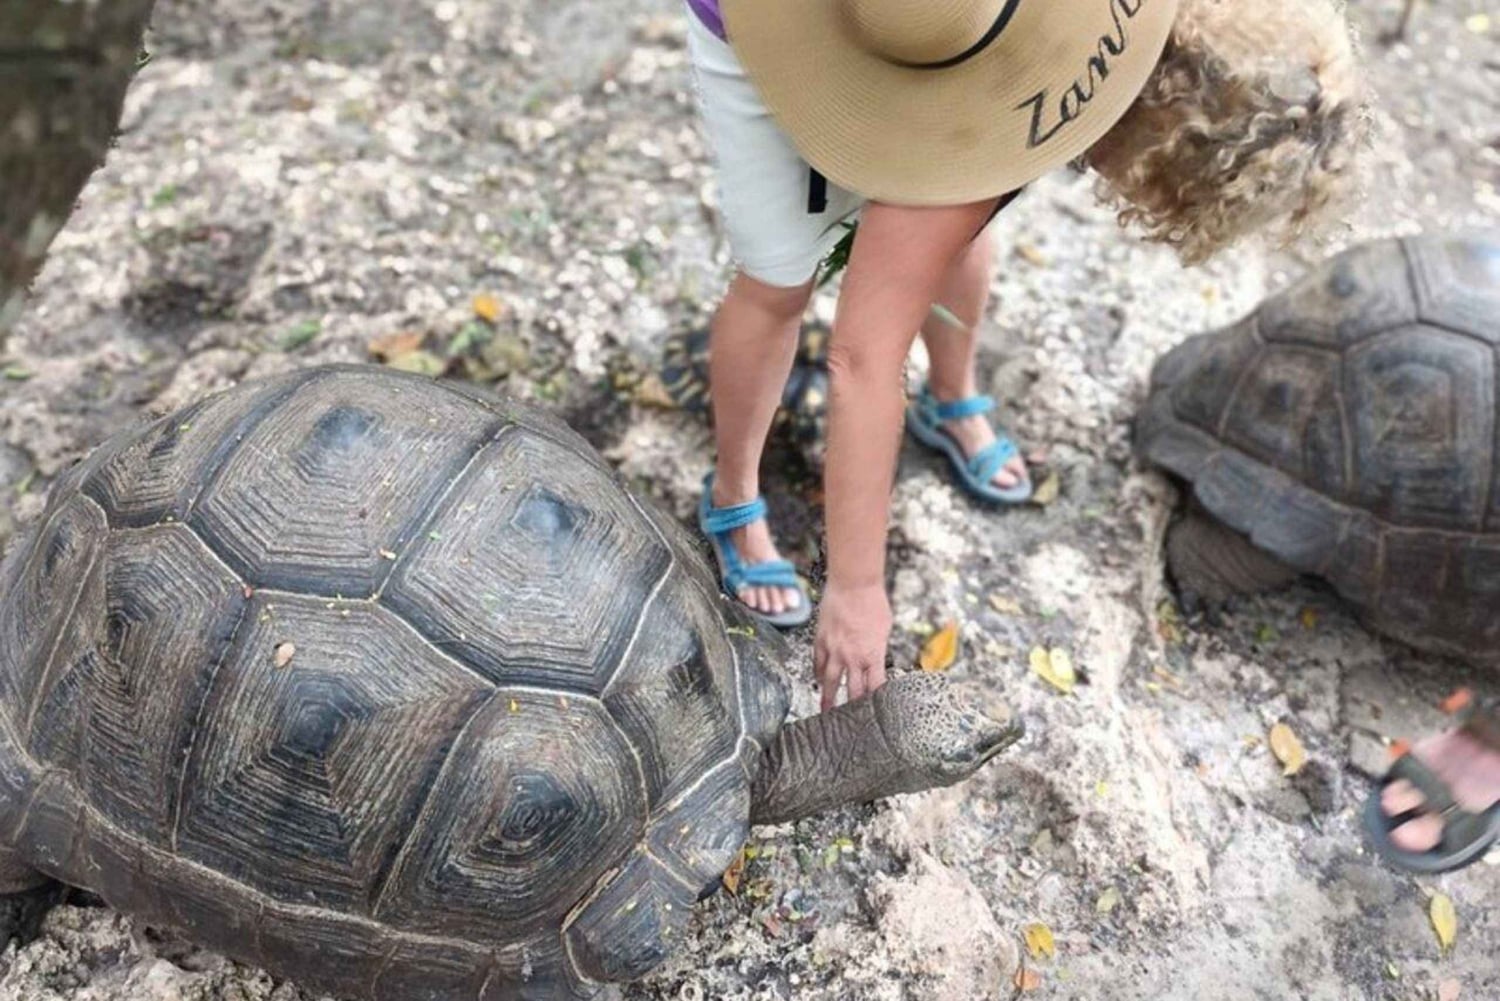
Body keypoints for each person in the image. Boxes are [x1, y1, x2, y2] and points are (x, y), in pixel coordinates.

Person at [685, 0, 1366, 709]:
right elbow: (862, 361)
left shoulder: (1107, 45)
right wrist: (856, 587)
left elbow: (963, 196)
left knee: (961, 212)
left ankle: (951, 395)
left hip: (958, 42)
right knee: (777, 282)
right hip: (770, 21)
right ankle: (734, 494)